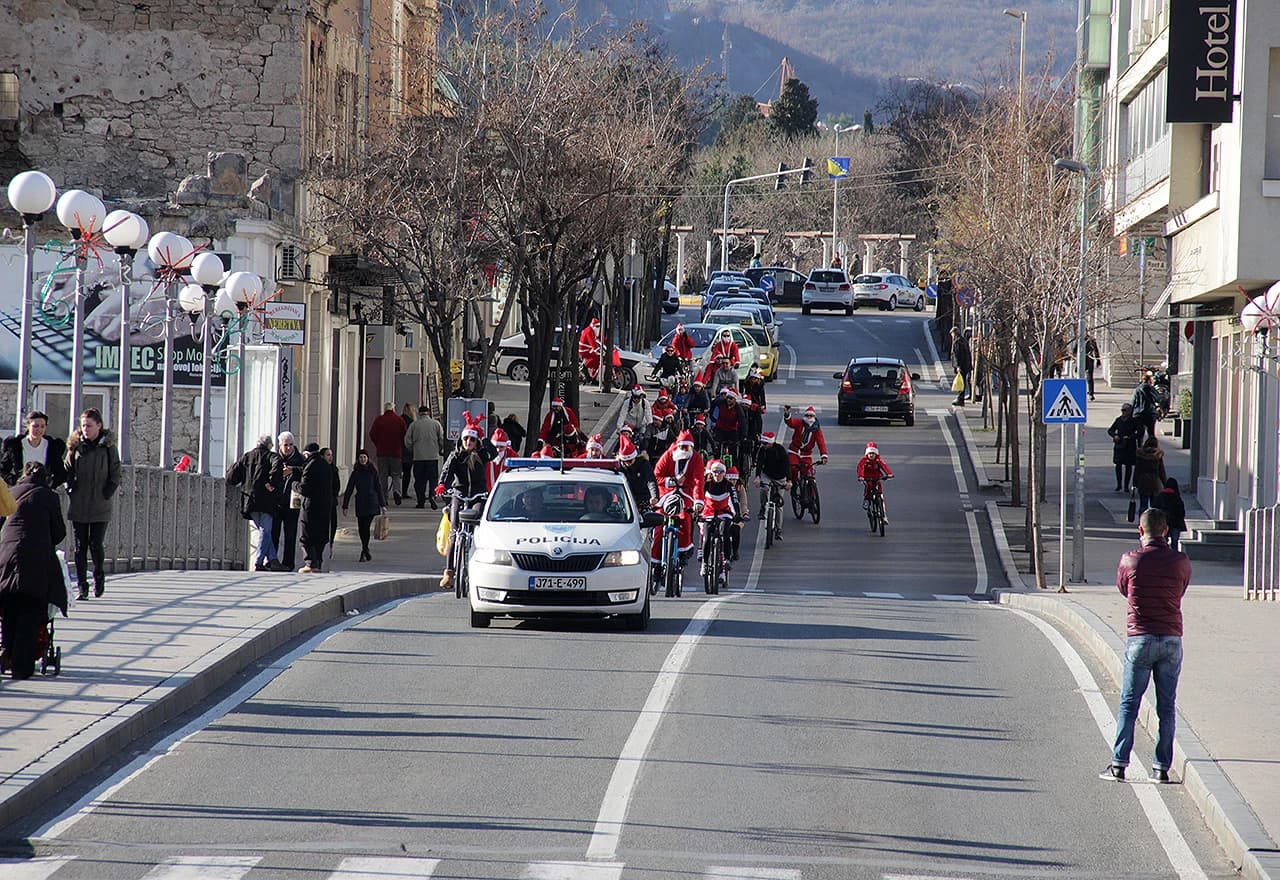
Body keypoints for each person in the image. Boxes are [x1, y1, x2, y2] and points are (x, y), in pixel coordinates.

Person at [1100, 507, 1192, 784]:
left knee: (1129, 703)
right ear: (1165, 530)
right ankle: (1161, 769)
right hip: (1171, 639)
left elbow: (1123, 589)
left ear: (1141, 531)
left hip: (1140, 637)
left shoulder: (1130, 560)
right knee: (1166, 705)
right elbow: (1181, 589)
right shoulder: (1181, 561)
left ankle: (1119, 765)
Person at [0, 463, 68, 679]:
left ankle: (7, 654)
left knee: (10, 608)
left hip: (6, 557)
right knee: (30, 609)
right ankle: (22, 665)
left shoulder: (11, 492)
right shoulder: (49, 497)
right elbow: (59, 533)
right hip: (36, 561)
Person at [435, 414, 497, 590]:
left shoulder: (482, 454)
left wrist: (484, 438)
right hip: (459, 493)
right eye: (466, 438)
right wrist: (441, 485)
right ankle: (449, 573)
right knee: (454, 532)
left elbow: (493, 453)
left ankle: (479, 561)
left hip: (478, 494)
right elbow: (447, 470)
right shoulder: (456, 456)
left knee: (478, 522)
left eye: (472, 439)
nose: (469, 442)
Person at [64, 408, 121, 599]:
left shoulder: (108, 447)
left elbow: (115, 471)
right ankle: (82, 586)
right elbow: (68, 468)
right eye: (83, 425)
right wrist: (69, 486)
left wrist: (108, 491)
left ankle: (99, 577)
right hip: (79, 501)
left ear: (99, 426)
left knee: (96, 544)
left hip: (100, 503)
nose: (85, 429)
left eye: (89, 425)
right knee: (80, 546)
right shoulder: (75, 446)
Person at [227, 434, 283, 571]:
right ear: (269, 445)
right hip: (266, 500)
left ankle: (273, 559)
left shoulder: (247, 456)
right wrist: (272, 483)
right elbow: (277, 467)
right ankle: (258, 562)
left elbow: (232, 477)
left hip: (249, 500)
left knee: (264, 531)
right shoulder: (272, 457)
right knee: (266, 530)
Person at [650, 430, 705, 572]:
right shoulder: (669, 455)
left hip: (686, 494)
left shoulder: (696, 458)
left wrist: (698, 501)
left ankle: (683, 551)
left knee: (685, 519)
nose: (684, 450)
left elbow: (699, 481)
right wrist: (672, 481)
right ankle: (655, 561)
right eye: (682, 447)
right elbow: (656, 476)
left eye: (687, 447)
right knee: (659, 525)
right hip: (666, 494)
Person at [1, 410, 68, 488]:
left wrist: (50, 484)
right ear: (28, 426)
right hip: (22, 491)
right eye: (35, 426)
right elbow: (3, 470)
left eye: (42, 426)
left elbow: (61, 473)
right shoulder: (15, 446)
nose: (39, 430)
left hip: (43, 491)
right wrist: (15, 481)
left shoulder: (52, 447)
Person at [342, 450, 386, 563]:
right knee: (362, 528)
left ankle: (364, 550)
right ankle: (365, 549)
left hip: (372, 502)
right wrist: (345, 505)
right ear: (358, 459)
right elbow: (349, 489)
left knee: (366, 526)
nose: (363, 459)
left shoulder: (373, 471)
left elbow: (378, 487)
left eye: (364, 457)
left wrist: (382, 504)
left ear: (368, 458)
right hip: (361, 502)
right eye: (361, 457)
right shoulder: (355, 472)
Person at [296, 443, 333, 573]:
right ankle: (318, 563)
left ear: (307, 454)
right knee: (320, 536)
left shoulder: (310, 466)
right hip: (325, 506)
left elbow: (304, 489)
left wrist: (294, 485)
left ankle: (310, 563)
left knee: (306, 535)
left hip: (311, 507)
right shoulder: (326, 466)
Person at [272, 431, 306, 571]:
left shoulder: (299, 459)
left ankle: (288, 563)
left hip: (293, 500)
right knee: (273, 533)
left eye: (291, 445)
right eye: (285, 445)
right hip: (276, 500)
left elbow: (306, 471)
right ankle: (272, 561)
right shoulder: (274, 458)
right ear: (280, 445)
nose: (288, 448)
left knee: (290, 533)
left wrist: (293, 470)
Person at [697, 458, 738, 567]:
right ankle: (705, 563)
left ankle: (727, 559)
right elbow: (699, 498)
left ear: (724, 473)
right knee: (706, 537)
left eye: (720, 472)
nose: (717, 474)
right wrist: (696, 512)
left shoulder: (729, 485)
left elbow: (735, 500)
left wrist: (737, 514)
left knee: (724, 532)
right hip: (709, 513)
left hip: (724, 512)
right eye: (715, 472)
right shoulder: (707, 484)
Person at [403, 405, 446, 509]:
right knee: (433, 479)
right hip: (432, 457)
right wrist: (440, 449)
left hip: (418, 457)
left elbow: (407, 440)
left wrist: (412, 449)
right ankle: (432, 495)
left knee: (419, 480)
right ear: (428, 412)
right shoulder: (436, 424)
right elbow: (441, 438)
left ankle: (420, 501)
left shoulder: (414, 425)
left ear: (419, 413)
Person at [370, 402, 407, 505]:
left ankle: (384, 497)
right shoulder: (399, 420)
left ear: (385, 409)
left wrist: (378, 443)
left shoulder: (379, 420)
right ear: (393, 409)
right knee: (396, 474)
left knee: (383, 475)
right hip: (396, 452)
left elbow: (372, 434)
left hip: (382, 452)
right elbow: (404, 434)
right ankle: (397, 491)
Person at [754, 431, 790, 533]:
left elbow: (787, 466)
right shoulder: (762, 450)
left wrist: (789, 481)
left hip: (780, 477)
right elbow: (759, 464)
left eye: (765, 444)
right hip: (767, 475)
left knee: (779, 504)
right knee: (764, 488)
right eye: (762, 443)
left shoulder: (781, 450)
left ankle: (779, 529)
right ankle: (762, 508)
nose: (763, 445)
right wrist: (757, 477)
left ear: (771, 443)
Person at [782, 404, 828, 482]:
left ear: (814, 417)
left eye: (811, 416)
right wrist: (787, 413)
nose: (809, 417)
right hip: (794, 451)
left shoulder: (816, 429)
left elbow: (821, 442)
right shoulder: (800, 423)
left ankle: (811, 492)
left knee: (809, 474)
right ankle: (794, 485)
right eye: (807, 415)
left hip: (806, 454)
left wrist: (824, 455)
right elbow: (790, 422)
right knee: (793, 469)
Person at [857, 442, 895, 523]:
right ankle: (867, 499)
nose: (871, 455)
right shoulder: (864, 460)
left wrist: (889, 474)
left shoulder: (878, 460)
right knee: (869, 486)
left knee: (880, 493)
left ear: (876, 454)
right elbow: (860, 468)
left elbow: (884, 466)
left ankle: (883, 516)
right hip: (867, 477)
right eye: (870, 453)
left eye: (873, 453)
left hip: (877, 477)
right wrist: (861, 476)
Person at [618, 433, 658, 510]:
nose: (628, 463)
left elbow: (651, 480)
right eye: (625, 461)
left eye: (630, 461)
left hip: (643, 497)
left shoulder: (644, 464)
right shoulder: (619, 467)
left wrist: (654, 496)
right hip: (625, 498)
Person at [1108, 403, 1142, 493]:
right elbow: (1110, 430)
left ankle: (1126, 485)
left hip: (1129, 446)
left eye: (1125, 410)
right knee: (1118, 465)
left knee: (1128, 466)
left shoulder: (1134, 421)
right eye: (1122, 410)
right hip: (1119, 446)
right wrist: (1115, 436)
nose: (1123, 412)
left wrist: (1131, 437)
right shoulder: (1119, 420)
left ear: (1130, 411)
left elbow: (1140, 432)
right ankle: (1119, 484)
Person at [710, 387, 746, 463]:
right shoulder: (720, 402)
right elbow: (712, 405)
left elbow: (742, 422)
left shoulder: (738, 408)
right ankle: (716, 464)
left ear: (735, 400)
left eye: (731, 398)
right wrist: (712, 418)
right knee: (717, 448)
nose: (728, 400)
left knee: (733, 452)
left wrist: (742, 435)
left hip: (732, 430)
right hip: (720, 428)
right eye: (727, 398)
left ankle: (734, 468)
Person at [1151, 477, 1187, 551]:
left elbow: (1154, 509)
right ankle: (1174, 558)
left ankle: (1164, 556)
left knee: (1163, 542)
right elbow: (1181, 512)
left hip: (1163, 523)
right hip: (1175, 523)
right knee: (1175, 542)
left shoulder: (1160, 496)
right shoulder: (1177, 497)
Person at [1133, 436, 1167, 515]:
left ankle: (1142, 521)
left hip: (1143, 482)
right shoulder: (1157, 456)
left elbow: (1137, 470)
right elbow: (1161, 471)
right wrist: (1165, 484)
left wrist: (1134, 484)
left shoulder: (1141, 455)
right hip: (1155, 482)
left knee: (1143, 505)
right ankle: (1153, 522)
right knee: (1154, 506)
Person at [726, 465, 748, 561]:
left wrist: (744, 514)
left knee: (736, 530)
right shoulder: (723, 486)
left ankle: (735, 551)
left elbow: (743, 502)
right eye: (730, 479)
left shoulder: (740, 488)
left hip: (737, 514)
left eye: (734, 479)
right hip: (724, 513)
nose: (732, 482)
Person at [1130, 373, 1160, 444]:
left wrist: (1131, 413)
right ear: (1149, 380)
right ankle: (1151, 447)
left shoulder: (1137, 390)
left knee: (1140, 432)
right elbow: (1158, 399)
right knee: (1151, 432)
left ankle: (1139, 447)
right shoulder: (1151, 389)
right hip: (1150, 413)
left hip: (1139, 414)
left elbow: (1133, 402)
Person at [324, 447, 340, 554]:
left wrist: (333, 494)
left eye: (331, 455)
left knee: (333, 524)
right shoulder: (320, 469)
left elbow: (337, 486)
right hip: (322, 502)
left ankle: (330, 544)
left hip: (332, 501)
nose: (330, 457)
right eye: (328, 455)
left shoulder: (334, 469)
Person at [951, 327, 973, 406]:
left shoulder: (957, 342)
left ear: (954, 333)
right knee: (963, 381)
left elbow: (957, 355)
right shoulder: (963, 340)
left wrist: (958, 366)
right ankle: (961, 398)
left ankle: (960, 399)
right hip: (966, 364)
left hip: (962, 365)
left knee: (961, 382)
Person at [399, 403, 416, 500]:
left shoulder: (399, 420)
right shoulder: (412, 423)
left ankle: (396, 490)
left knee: (396, 473)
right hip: (408, 451)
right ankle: (404, 492)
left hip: (398, 449)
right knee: (407, 472)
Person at [1085, 336, 1101, 401]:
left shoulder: (1091, 341)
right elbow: (1075, 350)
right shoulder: (1079, 340)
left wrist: (1098, 360)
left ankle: (1091, 394)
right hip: (1081, 361)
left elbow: (1096, 350)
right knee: (1081, 378)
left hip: (1089, 361)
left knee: (1089, 378)